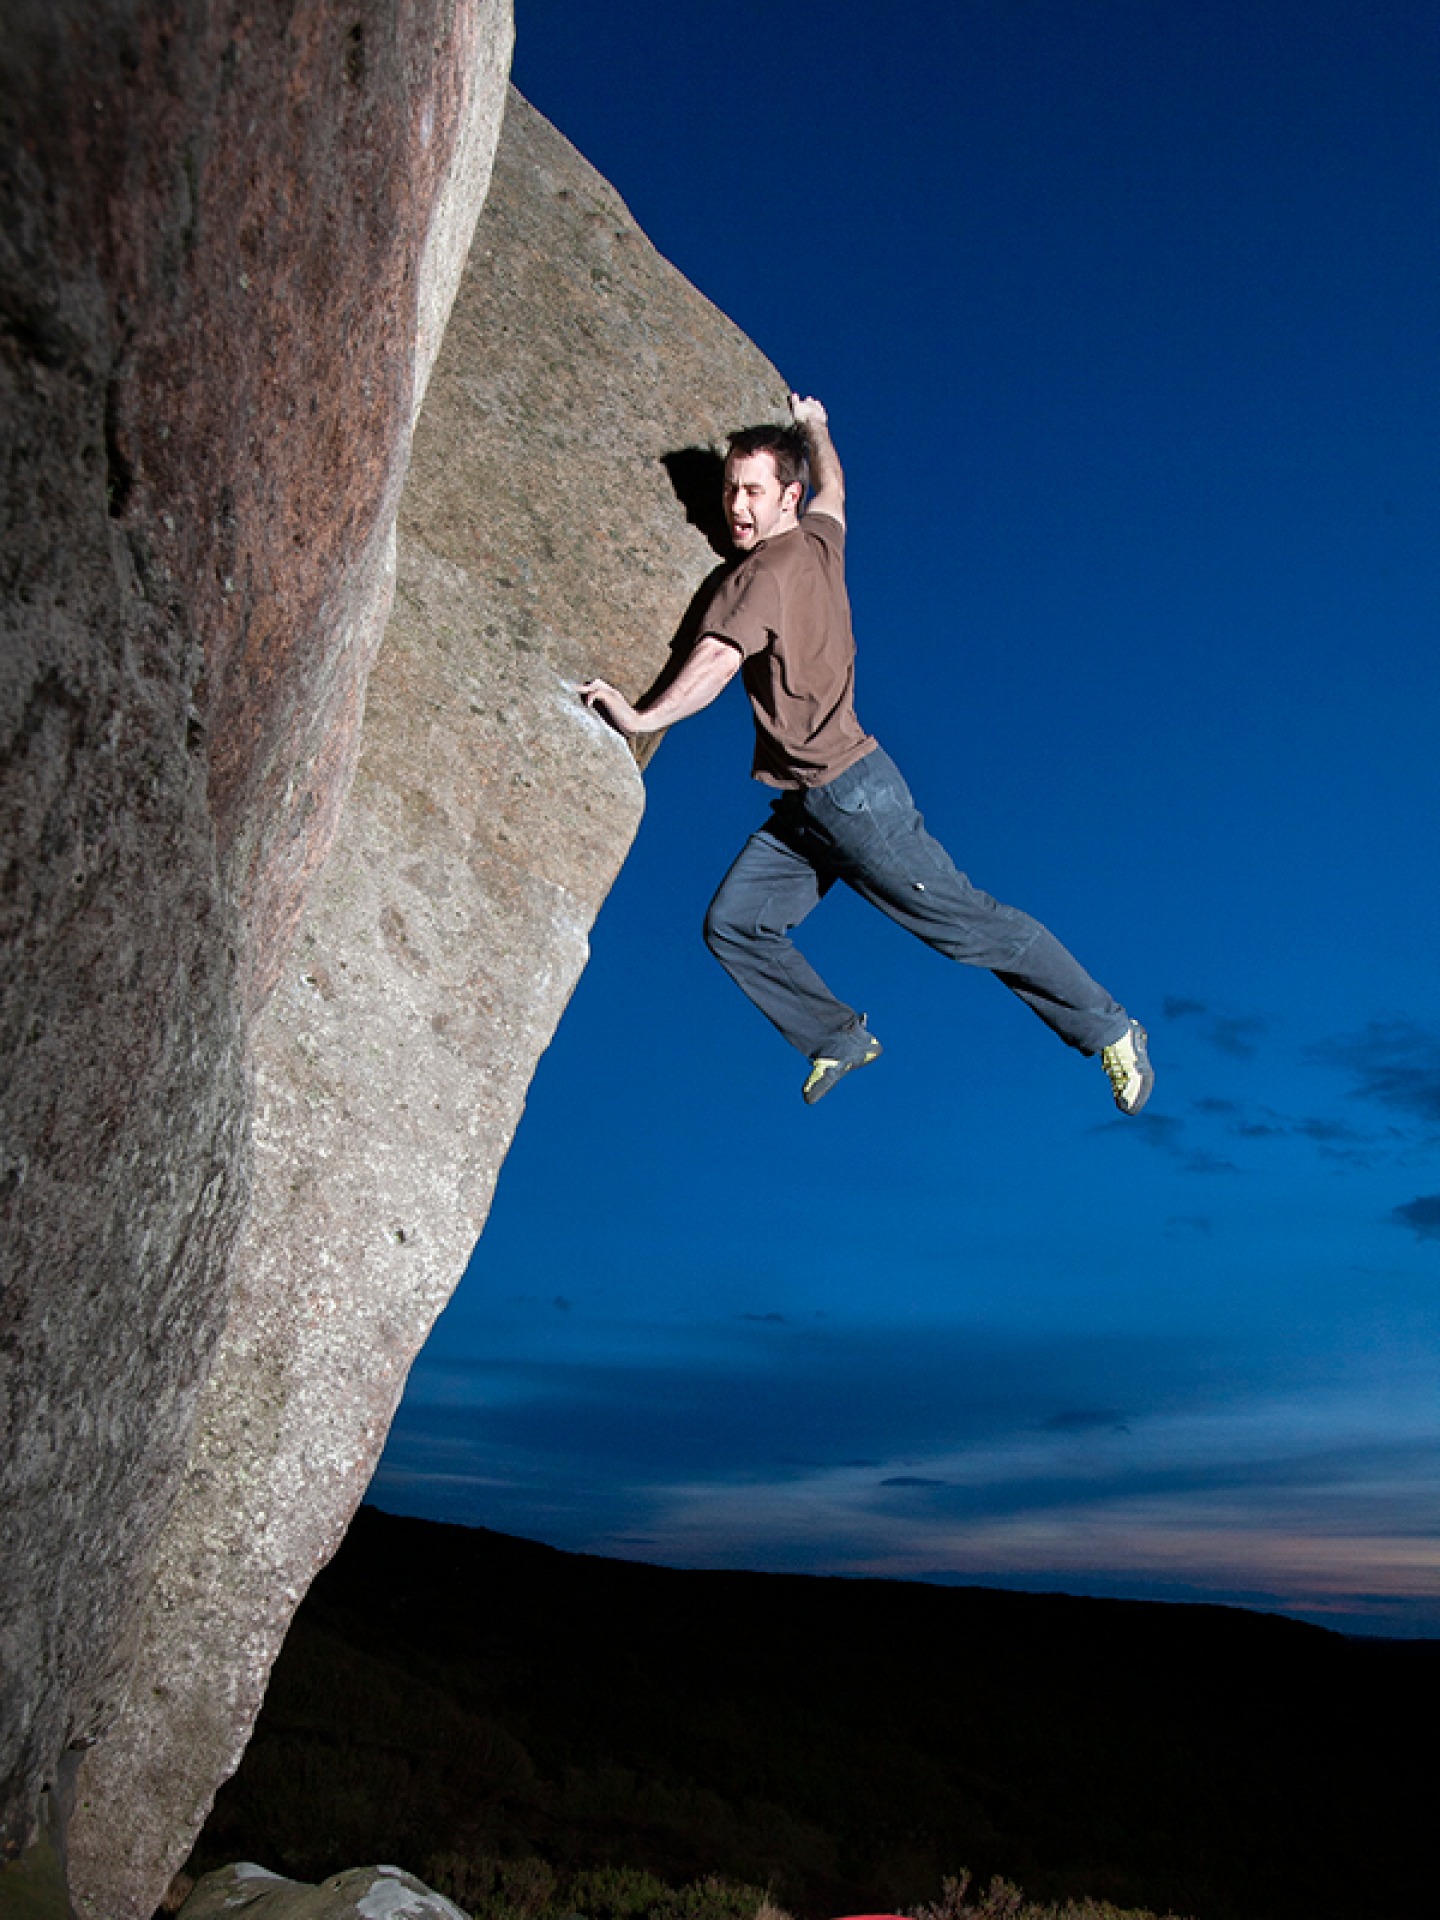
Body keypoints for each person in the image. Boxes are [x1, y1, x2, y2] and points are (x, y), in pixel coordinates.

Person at [579, 395, 1152, 1113]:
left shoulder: (759, 576)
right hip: (807, 810)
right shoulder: (820, 537)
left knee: (970, 927)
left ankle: (1111, 1028)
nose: (734, 506)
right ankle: (838, 1037)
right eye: (729, 489)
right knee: (735, 923)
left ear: (785, 496)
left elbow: (717, 663)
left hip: (854, 800)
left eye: (751, 491)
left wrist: (639, 715)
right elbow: (838, 489)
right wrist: (816, 427)